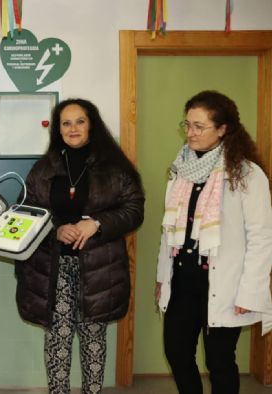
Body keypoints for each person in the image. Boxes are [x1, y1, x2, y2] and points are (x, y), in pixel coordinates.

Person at [15, 98, 144, 394]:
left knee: (93, 339)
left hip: (99, 268)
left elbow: (134, 210)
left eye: (80, 121)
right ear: (58, 129)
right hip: (54, 267)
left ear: (91, 125)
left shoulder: (115, 167)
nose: (73, 128)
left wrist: (96, 223)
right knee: (57, 339)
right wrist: (55, 230)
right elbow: (26, 213)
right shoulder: (43, 169)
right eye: (66, 123)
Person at [155, 90, 272, 394]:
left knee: (219, 360)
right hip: (183, 281)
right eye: (187, 124)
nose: (190, 133)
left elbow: (261, 238)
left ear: (222, 129)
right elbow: (169, 231)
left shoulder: (247, 174)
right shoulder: (181, 170)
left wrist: (251, 290)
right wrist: (162, 277)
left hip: (225, 284)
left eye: (199, 126)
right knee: (177, 352)